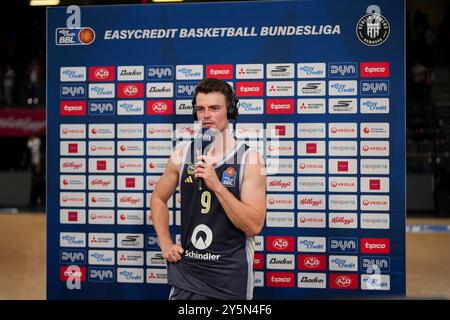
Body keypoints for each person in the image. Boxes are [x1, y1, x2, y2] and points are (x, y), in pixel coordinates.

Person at [151, 78, 266, 300]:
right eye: (200, 109)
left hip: (230, 277)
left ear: (230, 110)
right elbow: (158, 198)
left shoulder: (250, 159)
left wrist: (217, 186)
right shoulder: (182, 154)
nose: (206, 115)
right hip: (188, 274)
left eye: (214, 108)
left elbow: (253, 226)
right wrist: (165, 242)